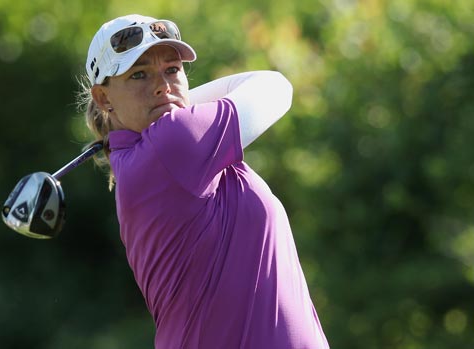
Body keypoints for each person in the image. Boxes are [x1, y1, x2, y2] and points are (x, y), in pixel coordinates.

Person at [78, 14, 330, 349]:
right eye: (139, 75)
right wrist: (177, 105)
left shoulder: (157, 152)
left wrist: (168, 103)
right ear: (104, 99)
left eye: (172, 70)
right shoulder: (173, 142)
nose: (162, 85)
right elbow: (276, 87)